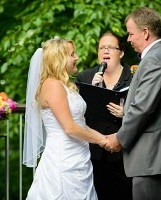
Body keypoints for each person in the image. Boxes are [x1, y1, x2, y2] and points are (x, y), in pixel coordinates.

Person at [105, 7, 161, 200]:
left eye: (131, 34)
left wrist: (119, 139)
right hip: (159, 157)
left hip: (152, 158)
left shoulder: (154, 60)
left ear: (146, 32)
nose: (129, 39)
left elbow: (143, 109)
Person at [23, 38, 110, 200]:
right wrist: (102, 140)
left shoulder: (65, 85)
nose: (77, 57)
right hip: (62, 161)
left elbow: (80, 124)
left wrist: (103, 138)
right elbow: (69, 127)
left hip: (79, 159)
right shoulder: (52, 85)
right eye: (72, 54)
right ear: (59, 59)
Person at [76, 32, 133, 200]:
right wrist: (92, 90)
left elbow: (144, 110)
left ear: (121, 53)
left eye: (110, 47)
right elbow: (76, 112)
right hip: (94, 150)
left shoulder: (133, 77)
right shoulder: (85, 77)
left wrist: (126, 113)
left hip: (123, 150)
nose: (105, 51)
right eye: (102, 48)